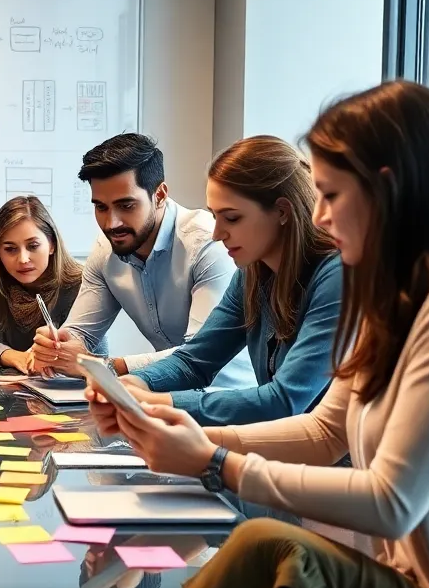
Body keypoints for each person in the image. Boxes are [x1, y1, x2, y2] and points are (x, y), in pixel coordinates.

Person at [87, 80, 429, 588]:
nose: (319, 216)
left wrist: (215, 462)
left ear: (389, 190)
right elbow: (323, 431)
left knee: (260, 552)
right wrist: (193, 441)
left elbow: (392, 502)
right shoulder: (393, 301)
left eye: (329, 194)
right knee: (260, 553)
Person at [118, 136, 342, 426]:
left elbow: (286, 401)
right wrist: (137, 383)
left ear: (282, 212)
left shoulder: (336, 277)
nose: (217, 233)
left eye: (232, 218)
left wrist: (161, 401)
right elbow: (195, 361)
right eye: (215, 216)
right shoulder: (251, 273)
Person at [32, 133, 252, 390]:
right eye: (101, 207)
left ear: (159, 195)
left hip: (228, 401)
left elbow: (197, 355)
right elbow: (80, 335)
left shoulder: (208, 245)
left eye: (126, 205)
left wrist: (102, 365)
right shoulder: (106, 250)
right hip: (160, 399)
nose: (111, 223)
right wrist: (55, 346)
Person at [0, 195, 107, 373]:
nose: (23, 259)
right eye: (10, 249)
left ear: (51, 244)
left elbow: (96, 354)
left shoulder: (80, 280)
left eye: (33, 246)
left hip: (69, 387)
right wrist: (22, 358)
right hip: (16, 386)